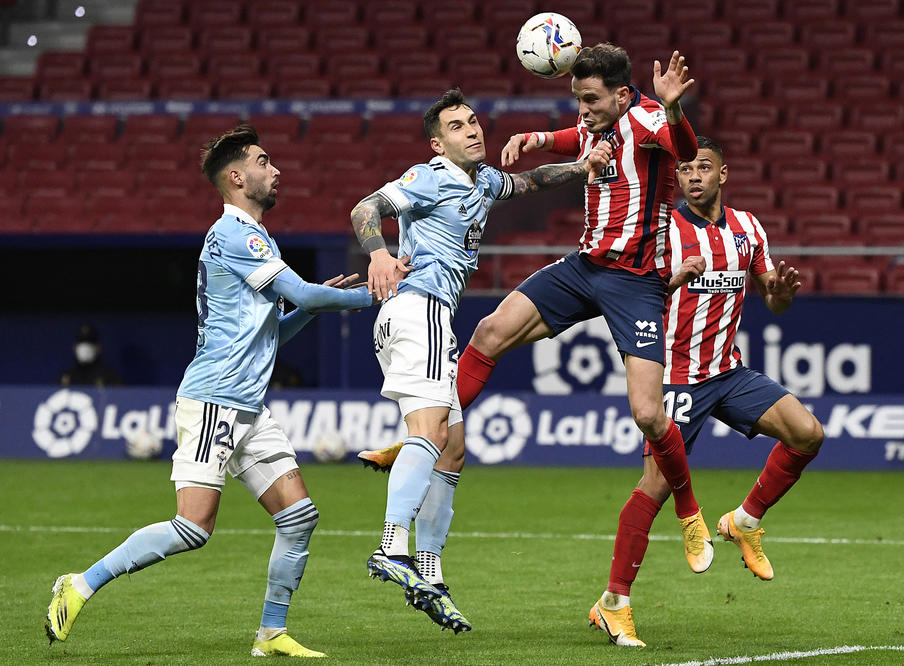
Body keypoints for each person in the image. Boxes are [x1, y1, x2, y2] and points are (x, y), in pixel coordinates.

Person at [45, 125, 374, 658]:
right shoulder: (235, 235)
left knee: (298, 517)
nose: (276, 170)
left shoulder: (255, 238)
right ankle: (79, 584)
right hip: (215, 399)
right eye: (264, 162)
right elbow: (302, 292)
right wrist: (377, 293)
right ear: (237, 177)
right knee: (193, 527)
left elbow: (274, 329)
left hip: (248, 406)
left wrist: (312, 308)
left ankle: (271, 634)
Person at [352, 88, 612, 633]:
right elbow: (366, 208)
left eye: (473, 121)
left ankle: (429, 572)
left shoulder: (485, 181)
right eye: (457, 126)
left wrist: (582, 166)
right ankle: (392, 547)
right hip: (416, 308)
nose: (472, 130)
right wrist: (378, 252)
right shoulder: (429, 177)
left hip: (430, 319)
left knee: (453, 450)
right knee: (429, 435)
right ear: (437, 144)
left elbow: (529, 181)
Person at [455, 45, 715, 569]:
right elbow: (578, 135)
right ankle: (426, 436)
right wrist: (535, 138)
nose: (583, 108)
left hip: (636, 282)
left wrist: (674, 107)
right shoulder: (600, 118)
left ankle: (689, 512)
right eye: (577, 97)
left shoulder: (649, 120)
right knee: (488, 332)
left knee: (649, 415)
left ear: (621, 95)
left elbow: (685, 149)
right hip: (584, 267)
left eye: (591, 99)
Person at [588, 136, 825, 647]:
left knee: (807, 433)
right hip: (674, 375)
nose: (693, 176)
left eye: (703, 167)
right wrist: (673, 280)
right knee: (654, 487)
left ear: (723, 174)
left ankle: (744, 521)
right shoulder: (662, 230)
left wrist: (780, 296)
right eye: (686, 169)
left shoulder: (748, 228)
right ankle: (614, 602)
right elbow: (632, 296)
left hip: (727, 373)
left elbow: (772, 296)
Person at [59, 323, 123, 387]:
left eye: (89, 344)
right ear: (74, 347)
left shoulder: (110, 377)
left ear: (99, 347)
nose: (85, 348)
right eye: (81, 343)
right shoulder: (66, 377)